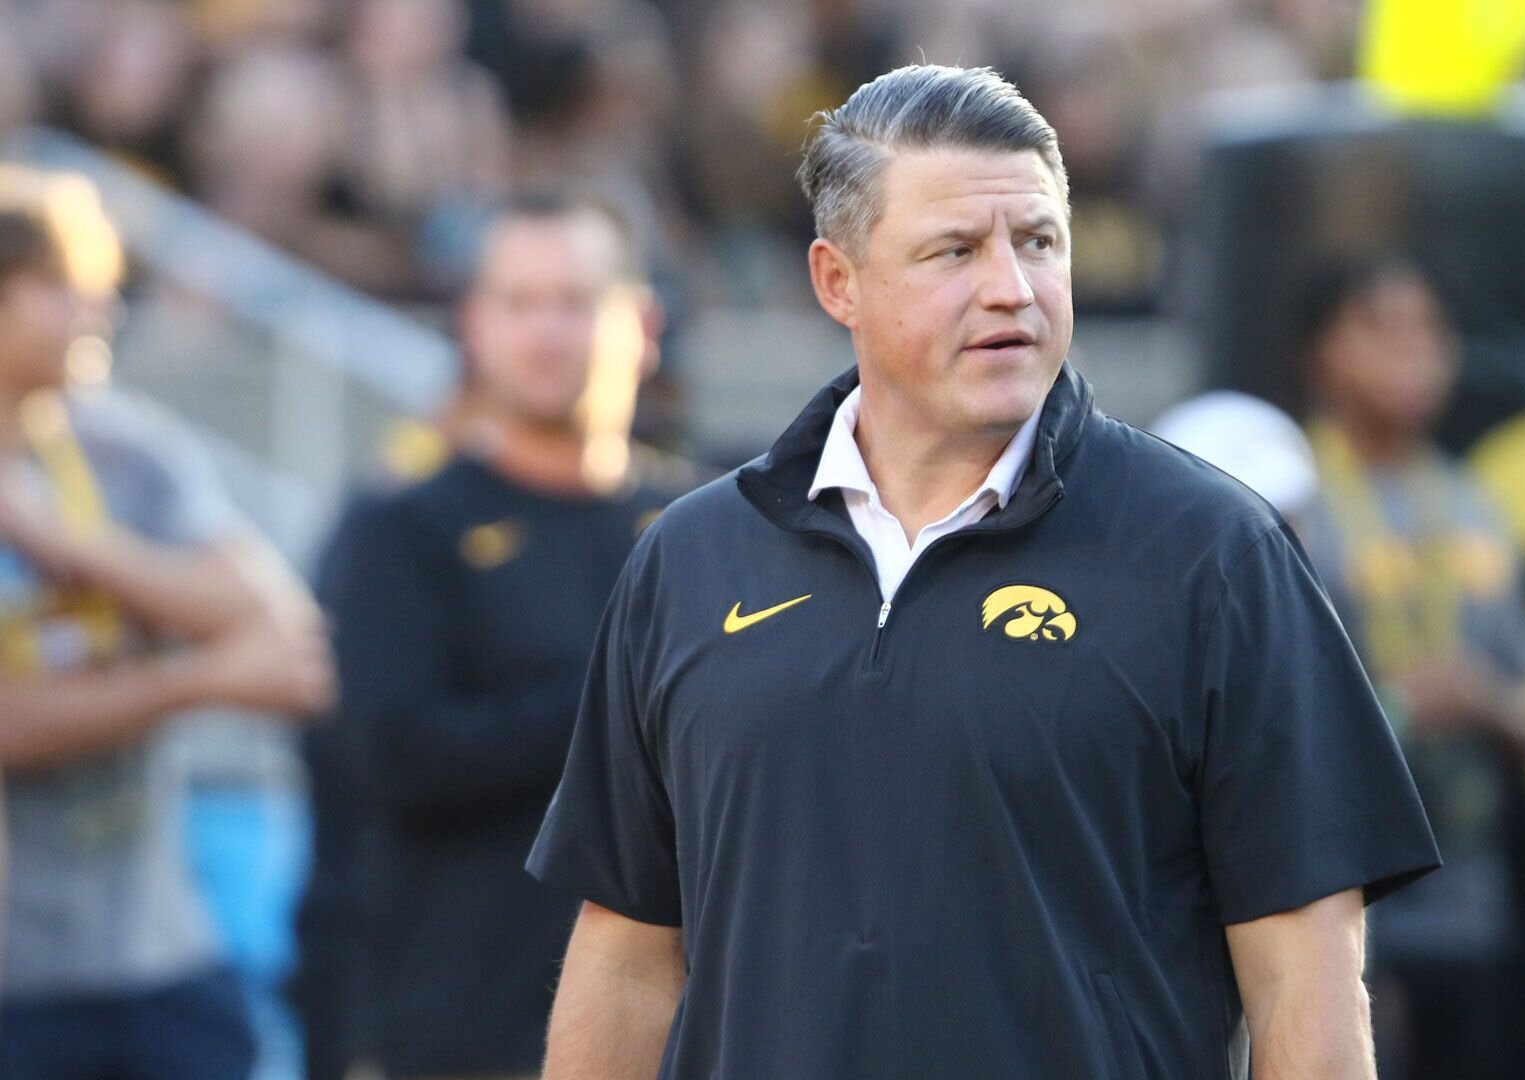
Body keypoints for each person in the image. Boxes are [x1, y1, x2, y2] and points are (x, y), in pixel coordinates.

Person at [529, 64, 1438, 1079]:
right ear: (839, 282)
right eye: (954, 251)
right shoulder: (690, 559)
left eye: (1039, 242)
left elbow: (1303, 979)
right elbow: (627, 958)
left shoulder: (1216, 555)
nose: (1011, 286)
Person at [299, 192, 698, 1080]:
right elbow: (395, 754)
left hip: (679, 1026)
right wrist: (630, 709)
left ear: (642, 322)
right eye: (521, 303)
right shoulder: (403, 529)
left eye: (575, 302)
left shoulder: (705, 529)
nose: (548, 332)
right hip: (458, 1022)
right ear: (475, 325)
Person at [0, 201, 335, 1077]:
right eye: (61, 289)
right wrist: (199, 682)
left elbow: (284, 635)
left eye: (101, 289)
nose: (97, 312)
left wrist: (69, 545)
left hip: (160, 956)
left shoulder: (124, 450)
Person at [1287, 256, 1525, 1080]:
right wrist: (1399, 704)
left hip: (1477, 902)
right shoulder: (1290, 504)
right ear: (1320, 353)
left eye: (1432, 330)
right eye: (1383, 328)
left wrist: (1491, 704)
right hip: (1342, 906)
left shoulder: (1479, 503)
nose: (1415, 352)